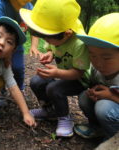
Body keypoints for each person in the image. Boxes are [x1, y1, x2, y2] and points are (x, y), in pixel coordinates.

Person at [19, 0, 91, 137]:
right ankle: (50, 110)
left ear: (67, 33)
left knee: (54, 88)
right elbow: (53, 49)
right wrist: (50, 54)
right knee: (36, 82)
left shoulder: (79, 44)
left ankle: (64, 117)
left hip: (81, 80)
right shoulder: (56, 35)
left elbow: (79, 73)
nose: (47, 41)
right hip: (64, 75)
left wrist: (57, 72)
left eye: (48, 38)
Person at [73, 13, 119, 140]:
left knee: (103, 107)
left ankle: (114, 140)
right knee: (84, 97)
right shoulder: (96, 70)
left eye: (106, 57)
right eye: (93, 55)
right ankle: (98, 128)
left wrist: (110, 96)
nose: (98, 63)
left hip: (112, 108)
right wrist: (94, 92)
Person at [0, 0, 40, 95]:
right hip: (0, 43)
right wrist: (6, 52)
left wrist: (34, 46)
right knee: (0, 67)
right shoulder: (0, 3)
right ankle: (1, 92)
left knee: (18, 68)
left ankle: (20, 89)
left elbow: (35, 29)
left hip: (17, 44)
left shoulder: (28, 7)